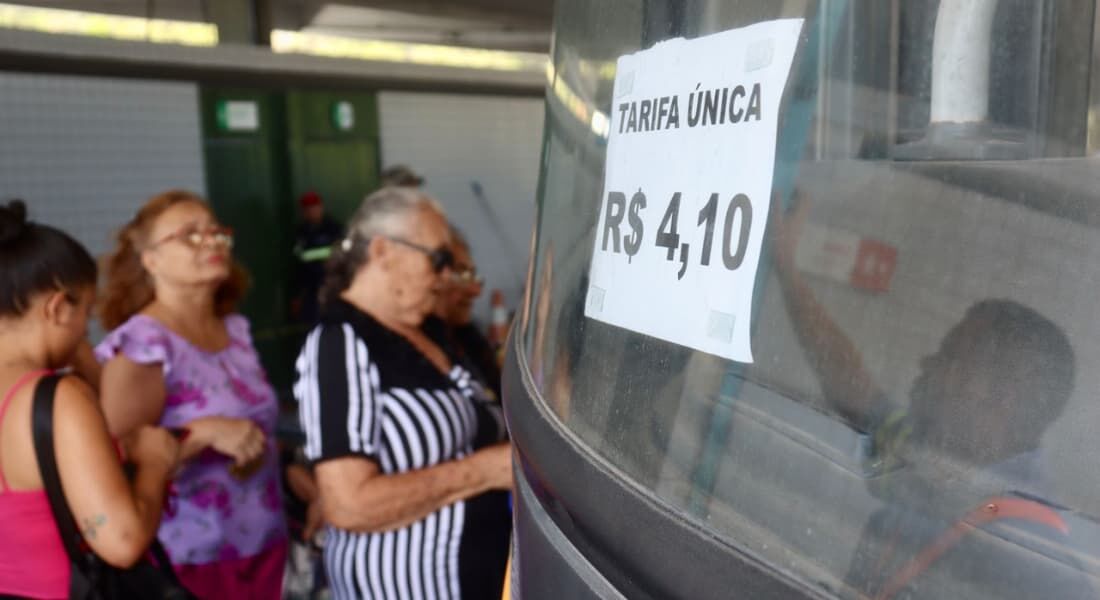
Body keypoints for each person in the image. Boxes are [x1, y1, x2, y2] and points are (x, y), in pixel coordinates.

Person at [772, 192, 1094, 598]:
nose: (927, 363)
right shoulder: (933, 456)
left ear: (1001, 398)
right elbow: (853, 388)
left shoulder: (1034, 562)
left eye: (949, 355)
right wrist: (787, 272)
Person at [295, 186, 513, 600]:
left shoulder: (430, 333)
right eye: (439, 259)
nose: (447, 276)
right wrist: (484, 470)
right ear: (382, 252)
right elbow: (349, 505)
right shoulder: (340, 343)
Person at [96, 190, 288, 600]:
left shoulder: (235, 330)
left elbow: (259, 427)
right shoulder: (143, 344)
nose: (212, 241)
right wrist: (201, 433)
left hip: (264, 547)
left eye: (217, 232)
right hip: (190, 560)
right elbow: (111, 462)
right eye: (190, 235)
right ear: (150, 259)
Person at [0, 200, 180, 599]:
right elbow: (122, 540)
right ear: (58, 307)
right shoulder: (57, 397)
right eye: (86, 312)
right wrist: (154, 463)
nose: (87, 329)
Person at [426, 227, 503, 400]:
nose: (475, 290)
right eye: (461, 273)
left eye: (472, 275)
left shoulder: (467, 343)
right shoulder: (416, 357)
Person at [293, 191, 344, 325]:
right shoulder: (301, 233)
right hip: (311, 290)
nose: (312, 212)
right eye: (308, 209)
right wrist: (297, 295)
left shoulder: (333, 229)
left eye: (314, 208)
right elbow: (297, 266)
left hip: (333, 286)